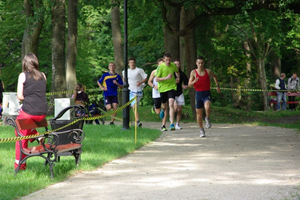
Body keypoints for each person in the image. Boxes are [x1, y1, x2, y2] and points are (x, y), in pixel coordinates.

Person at [15, 53, 47, 170]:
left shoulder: (22, 76)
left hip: (30, 112)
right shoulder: (43, 75)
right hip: (42, 112)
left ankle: (20, 165)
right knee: (25, 126)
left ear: (25, 63)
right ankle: (36, 136)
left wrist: (27, 97)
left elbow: (20, 96)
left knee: (19, 134)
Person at [188, 56, 221, 138]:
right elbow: (189, 84)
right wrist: (194, 81)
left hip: (206, 93)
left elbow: (215, 76)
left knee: (207, 106)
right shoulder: (193, 72)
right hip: (198, 94)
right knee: (199, 115)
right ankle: (201, 129)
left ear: (204, 63)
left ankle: (207, 118)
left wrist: (217, 86)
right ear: (196, 63)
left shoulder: (208, 71)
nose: (200, 65)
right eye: (199, 63)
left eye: (202, 63)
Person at [155, 52, 180, 131]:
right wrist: (166, 78)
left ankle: (172, 124)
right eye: (166, 60)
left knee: (171, 103)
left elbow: (177, 71)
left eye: (169, 60)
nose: (168, 61)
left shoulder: (173, 66)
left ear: (171, 59)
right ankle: (162, 110)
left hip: (171, 87)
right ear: (164, 59)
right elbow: (156, 79)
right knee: (164, 105)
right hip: (162, 88)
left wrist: (177, 78)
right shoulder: (160, 67)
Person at [122, 57, 147, 127]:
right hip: (130, 91)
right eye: (130, 63)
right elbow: (124, 78)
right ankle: (138, 121)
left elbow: (145, 78)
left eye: (133, 62)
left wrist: (140, 82)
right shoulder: (126, 71)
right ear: (128, 64)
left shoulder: (139, 70)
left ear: (135, 63)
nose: (132, 64)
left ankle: (127, 118)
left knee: (134, 106)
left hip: (138, 91)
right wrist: (125, 85)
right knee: (134, 105)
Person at [148, 58, 168, 131]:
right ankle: (154, 107)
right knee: (158, 112)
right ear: (158, 65)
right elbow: (149, 82)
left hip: (164, 91)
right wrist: (154, 86)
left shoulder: (166, 72)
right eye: (160, 64)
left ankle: (163, 125)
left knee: (165, 108)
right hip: (156, 93)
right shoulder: (154, 72)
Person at [173, 59, 189, 130]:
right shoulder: (170, 73)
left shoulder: (182, 74)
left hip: (180, 93)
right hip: (172, 93)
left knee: (179, 110)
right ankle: (171, 123)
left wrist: (185, 86)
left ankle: (177, 124)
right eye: (175, 64)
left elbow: (186, 82)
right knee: (175, 108)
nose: (177, 66)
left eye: (178, 64)